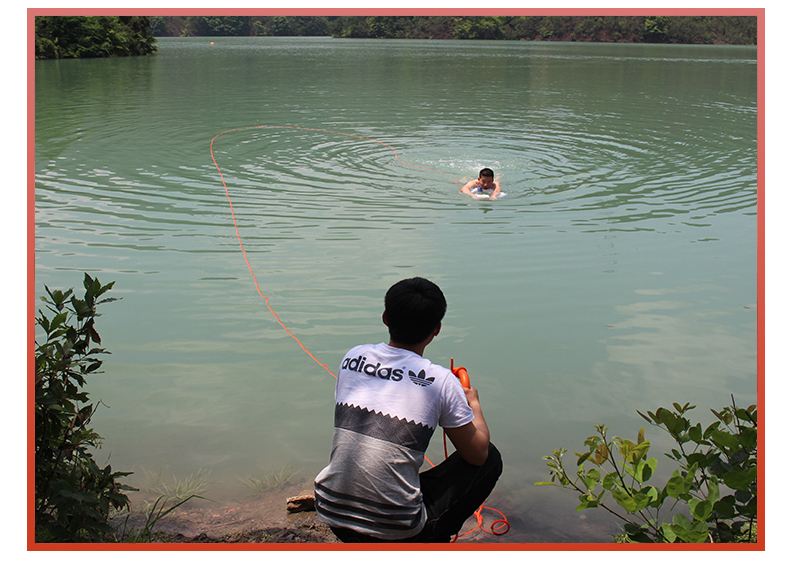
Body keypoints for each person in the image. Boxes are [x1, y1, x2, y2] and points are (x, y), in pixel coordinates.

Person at [314, 277, 502, 543]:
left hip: (331, 511)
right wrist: (474, 404)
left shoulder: (353, 357)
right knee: (491, 459)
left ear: (385, 318)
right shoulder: (440, 380)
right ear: (436, 329)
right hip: (398, 529)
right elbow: (477, 455)